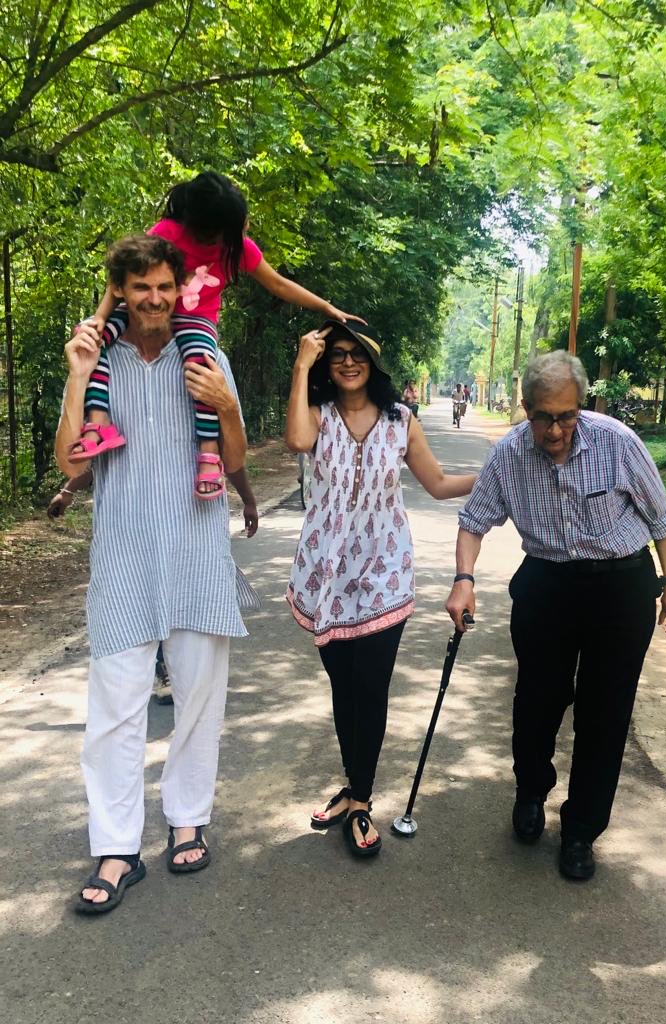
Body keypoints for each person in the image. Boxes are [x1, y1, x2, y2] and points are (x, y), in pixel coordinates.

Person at [55, 233, 258, 913]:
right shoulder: (99, 359)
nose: (153, 300)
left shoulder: (203, 355)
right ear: (121, 290)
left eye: (164, 287)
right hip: (122, 556)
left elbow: (231, 458)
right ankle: (115, 847)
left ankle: (187, 818)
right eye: (140, 288)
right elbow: (72, 464)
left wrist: (227, 406)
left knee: (200, 698)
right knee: (114, 711)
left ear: (180, 290)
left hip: (197, 551)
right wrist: (78, 373)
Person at [445, 350, 666, 881]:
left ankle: (580, 830)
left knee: (606, 711)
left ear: (581, 407)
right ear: (525, 408)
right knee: (537, 701)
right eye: (542, 417)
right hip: (548, 583)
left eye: (566, 416)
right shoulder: (509, 453)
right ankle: (531, 792)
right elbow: (473, 520)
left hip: (619, 585)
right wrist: (464, 580)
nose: (555, 430)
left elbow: (660, 518)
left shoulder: (618, 442)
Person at [285, 320, 475, 858]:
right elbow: (296, 439)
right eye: (337, 355)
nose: (347, 362)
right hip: (326, 577)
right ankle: (353, 786)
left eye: (358, 354)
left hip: (384, 575)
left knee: (371, 687)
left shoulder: (400, 420)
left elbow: (437, 485)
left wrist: (498, 473)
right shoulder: (318, 416)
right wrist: (302, 362)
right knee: (343, 689)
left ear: (373, 362)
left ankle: (362, 800)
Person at [70, 170, 361, 499]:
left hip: (196, 321)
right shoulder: (167, 233)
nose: (239, 232)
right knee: (92, 340)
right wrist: (99, 319)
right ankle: (97, 422)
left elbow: (278, 283)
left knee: (202, 368)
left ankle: (208, 453)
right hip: (151, 311)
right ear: (206, 228)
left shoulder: (240, 249)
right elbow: (123, 275)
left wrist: (326, 307)